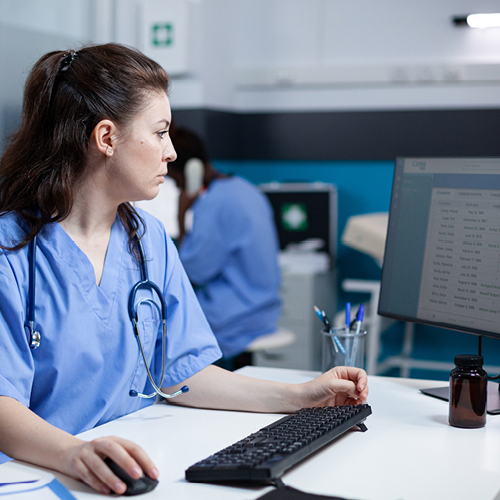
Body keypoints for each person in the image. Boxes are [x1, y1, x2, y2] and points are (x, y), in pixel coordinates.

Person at [0, 43, 368, 496]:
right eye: (159, 133)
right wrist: (74, 454)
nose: (171, 152)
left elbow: (181, 373)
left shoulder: (148, 240)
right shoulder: (10, 251)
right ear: (106, 138)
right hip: (39, 474)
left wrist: (296, 398)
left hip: (131, 460)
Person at [166, 126, 281, 369]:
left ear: (190, 171)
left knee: (165, 329)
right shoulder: (245, 188)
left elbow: (194, 271)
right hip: (263, 311)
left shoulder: (215, 204)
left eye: (174, 180)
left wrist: (181, 216)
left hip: (235, 319)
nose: (176, 187)